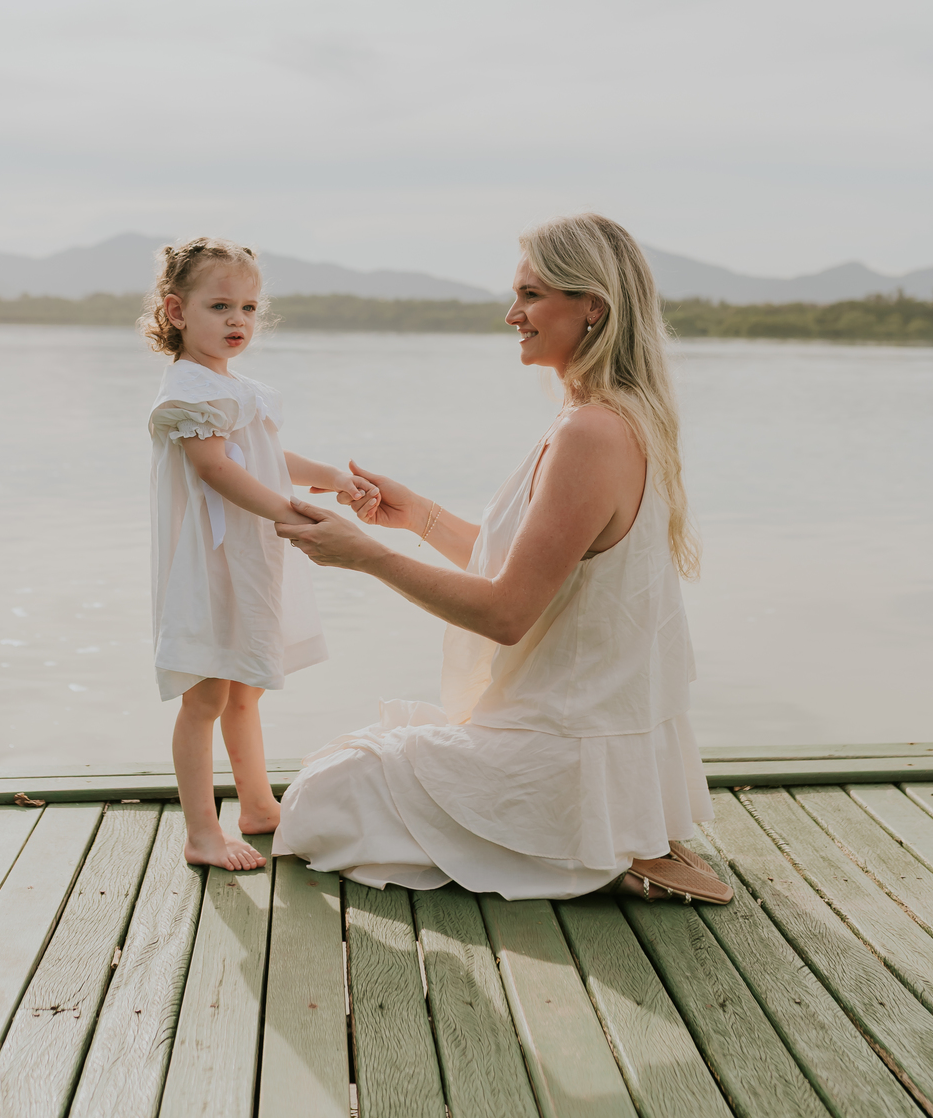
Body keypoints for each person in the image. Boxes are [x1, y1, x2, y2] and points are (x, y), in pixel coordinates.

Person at [273, 212, 729, 903]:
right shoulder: (618, 416)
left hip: (563, 750)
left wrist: (363, 555)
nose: (512, 314)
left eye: (531, 295)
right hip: (583, 736)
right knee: (348, 766)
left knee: (318, 800)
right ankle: (610, 843)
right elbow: (540, 569)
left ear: (592, 309)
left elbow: (510, 612)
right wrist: (417, 517)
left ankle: (590, 854)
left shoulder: (591, 433)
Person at [142, 237, 377, 872]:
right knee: (206, 698)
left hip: (249, 559)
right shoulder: (186, 391)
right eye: (219, 306)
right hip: (211, 565)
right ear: (176, 311)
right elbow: (216, 470)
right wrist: (289, 514)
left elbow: (268, 459)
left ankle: (258, 806)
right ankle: (200, 833)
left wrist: (329, 474)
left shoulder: (237, 388)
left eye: (248, 307)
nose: (237, 320)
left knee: (246, 690)